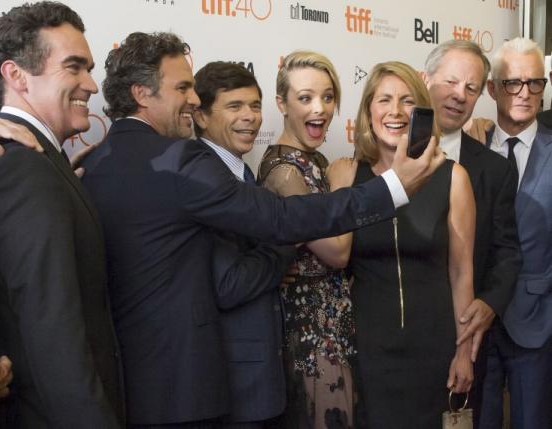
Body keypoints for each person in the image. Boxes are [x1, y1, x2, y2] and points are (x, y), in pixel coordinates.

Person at [81, 31, 444, 427]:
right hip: (186, 388)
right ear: (142, 93)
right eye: (183, 87)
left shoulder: (92, 163)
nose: (193, 98)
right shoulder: (180, 158)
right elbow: (281, 220)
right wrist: (392, 187)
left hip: (127, 385)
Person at [0, 3, 125, 427]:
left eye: (89, 68)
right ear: (16, 76)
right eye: (74, 67)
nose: (91, 84)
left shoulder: (36, 163)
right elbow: (52, 332)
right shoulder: (24, 167)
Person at [347, 61, 475, 429]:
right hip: (367, 354)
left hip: (434, 352)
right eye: (384, 99)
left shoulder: (453, 178)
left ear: (421, 112)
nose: (395, 111)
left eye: (406, 101)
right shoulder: (345, 175)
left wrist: (464, 353)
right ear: (368, 111)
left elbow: (462, 272)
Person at [193, 61, 298, 428]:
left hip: (262, 378)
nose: (250, 117)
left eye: (255, 106)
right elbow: (230, 284)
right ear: (201, 116)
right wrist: (284, 246)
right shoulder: (205, 177)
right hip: (237, 385)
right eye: (235, 106)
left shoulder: (242, 172)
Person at [422, 39, 522, 425]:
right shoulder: (386, 153)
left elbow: (507, 250)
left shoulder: (494, 169)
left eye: (471, 88)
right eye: (450, 82)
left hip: (465, 340)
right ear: (425, 78)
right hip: (396, 338)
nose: (459, 96)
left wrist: (491, 301)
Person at [256, 51, 355, 429]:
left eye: (328, 97)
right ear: (281, 103)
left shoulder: (313, 161)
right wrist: (343, 189)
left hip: (333, 324)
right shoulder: (284, 170)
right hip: (311, 333)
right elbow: (337, 252)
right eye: (305, 97)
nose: (320, 108)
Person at [481, 37, 552, 429]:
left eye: (535, 82)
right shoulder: (469, 147)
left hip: (538, 328)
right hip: (477, 326)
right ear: (492, 88)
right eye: (512, 83)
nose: (524, 93)